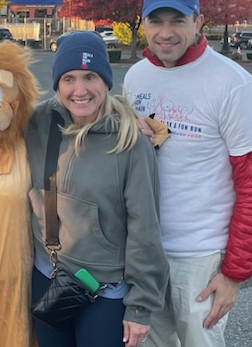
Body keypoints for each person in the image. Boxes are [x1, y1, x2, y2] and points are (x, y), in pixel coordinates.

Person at [124, 0, 252, 347]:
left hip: (200, 258)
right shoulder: (135, 77)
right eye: (156, 21)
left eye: (177, 20)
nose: (165, 32)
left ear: (198, 22)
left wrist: (234, 274)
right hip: (145, 251)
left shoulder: (233, 84)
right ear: (143, 23)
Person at [27, 31, 169, 347]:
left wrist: (141, 306)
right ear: (57, 85)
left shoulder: (129, 141)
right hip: (47, 275)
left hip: (104, 290)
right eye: (69, 78)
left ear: (105, 81)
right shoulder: (40, 121)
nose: (80, 90)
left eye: (90, 76)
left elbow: (145, 228)